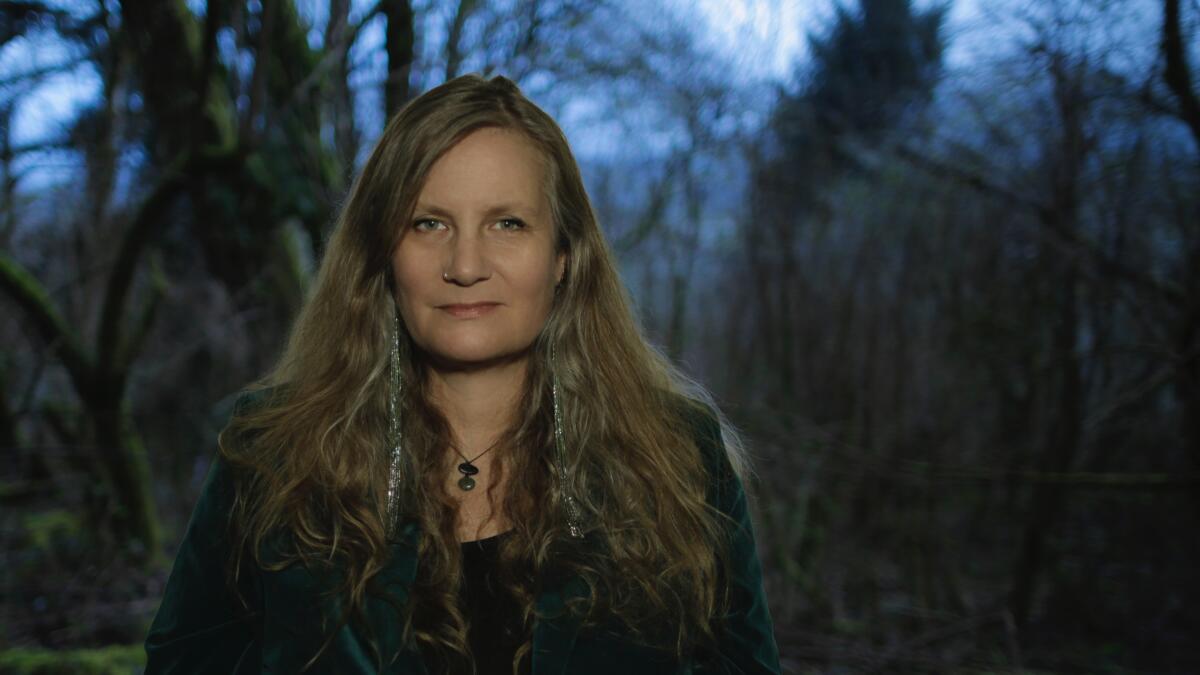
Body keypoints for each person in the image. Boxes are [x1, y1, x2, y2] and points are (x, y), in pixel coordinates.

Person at [143, 73, 781, 675]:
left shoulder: (678, 457)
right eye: (429, 223)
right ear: (384, 255)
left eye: (508, 223)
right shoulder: (272, 455)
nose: (466, 264)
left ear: (563, 255)